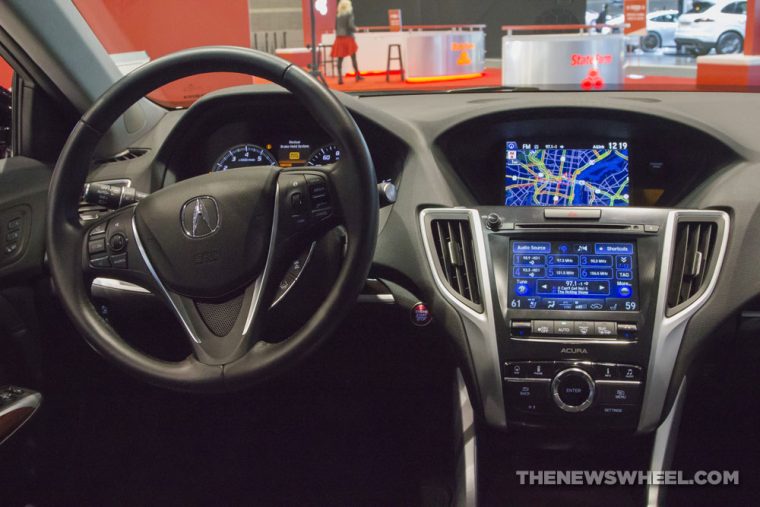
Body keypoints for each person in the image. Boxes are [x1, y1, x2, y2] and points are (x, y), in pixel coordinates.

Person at [332, 0, 363, 85]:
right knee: (353, 57)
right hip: (348, 38)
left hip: (339, 38)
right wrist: (356, 29)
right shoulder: (349, 14)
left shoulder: (338, 15)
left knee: (340, 58)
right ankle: (357, 76)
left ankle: (340, 78)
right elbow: (350, 25)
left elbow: (336, 27)